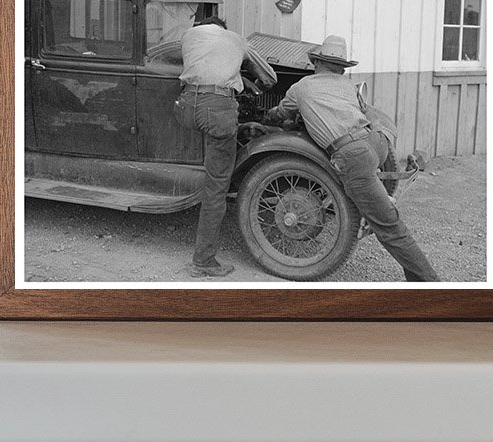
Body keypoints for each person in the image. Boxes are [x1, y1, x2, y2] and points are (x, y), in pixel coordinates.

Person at [265, 35, 440, 282]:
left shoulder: (301, 86)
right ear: (341, 68)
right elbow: (361, 111)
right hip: (375, 143)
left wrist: (268, 117)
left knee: (389, 226)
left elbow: (282, 113)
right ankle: (376, 196)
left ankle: (431, 285)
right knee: (373, 193)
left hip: (353, 154)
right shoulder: (348, 86)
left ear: (317, 64)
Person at [173, 15, 248, 278]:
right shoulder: (235, 40)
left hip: (186, 108)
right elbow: (268, 76)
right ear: (223, 29)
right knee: (216, 188)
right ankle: (203, 261)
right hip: (216, 110)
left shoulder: (188, 36)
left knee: (207, 133)